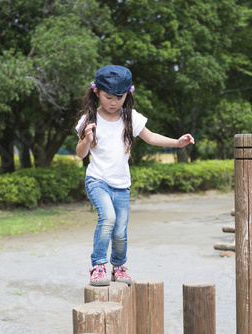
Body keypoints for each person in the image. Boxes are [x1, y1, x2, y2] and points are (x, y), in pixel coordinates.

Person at [75, 65, 195, 286]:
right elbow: (80, 152)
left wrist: (177, 143)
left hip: (121, 184)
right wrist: (87, 140)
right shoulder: (88, 119)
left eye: (119, 97)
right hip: (97, 180)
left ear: (127, 94)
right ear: (97, 92)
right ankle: (98, 266)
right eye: (108, 97)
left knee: (120, 231)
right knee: (108, 218)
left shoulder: (130, 117)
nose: (113, 102)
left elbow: (151, 137)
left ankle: (118, 267)